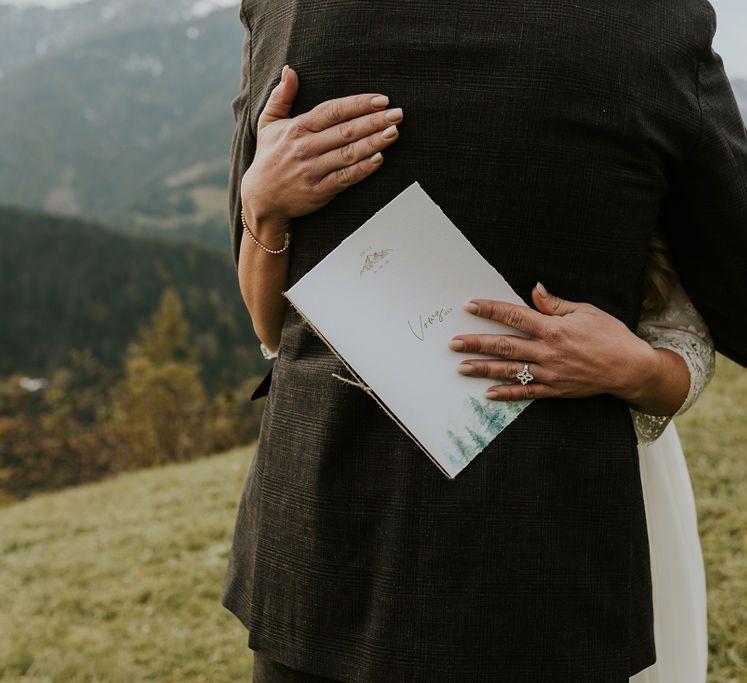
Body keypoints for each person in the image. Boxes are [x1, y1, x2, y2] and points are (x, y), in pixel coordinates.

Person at [222, 3, 747, 680]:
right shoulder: (652, 17)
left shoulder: (291, 10)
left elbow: (269, 325)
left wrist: (259, 202)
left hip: (320, 543)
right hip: (540, 550)